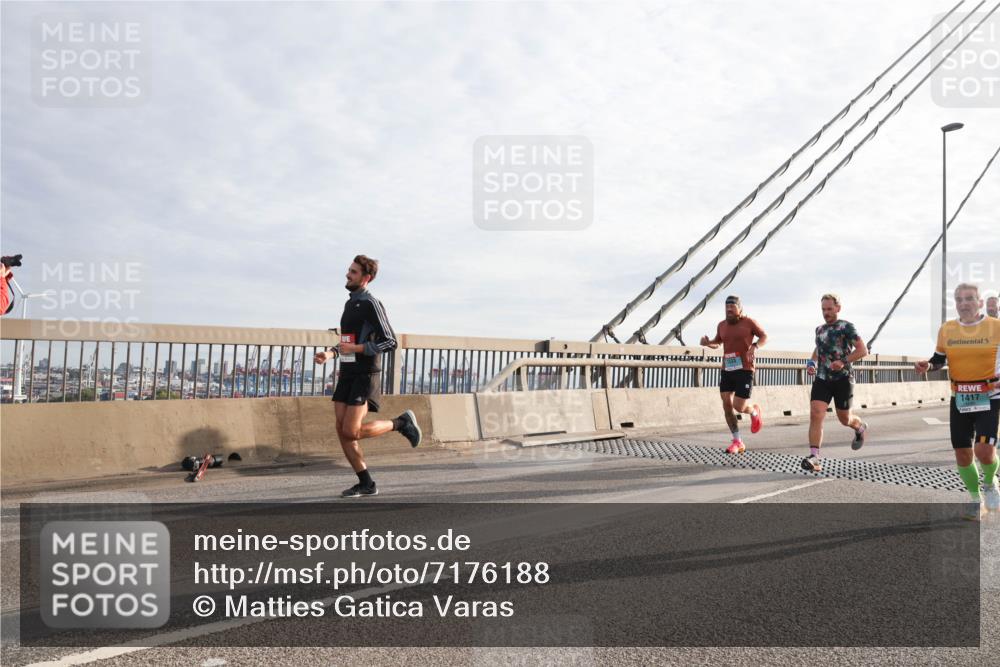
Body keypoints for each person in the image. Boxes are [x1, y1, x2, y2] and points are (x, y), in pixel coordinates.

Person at [313, 255, 422, 497]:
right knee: (342, 429)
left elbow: (390, 341)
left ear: (366, 278)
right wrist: (330, 354)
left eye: (353, 272)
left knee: (351, 431)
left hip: (365, 374)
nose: (347, 274)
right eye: (349, 270)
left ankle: (401, 423)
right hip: (348, 372)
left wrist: (358, 349)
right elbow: (348, 341)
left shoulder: (371, 303)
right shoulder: (350, 304)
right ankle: (366, 483)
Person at [914, 283, 1000, 520]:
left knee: (984, 451)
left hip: (990, 397)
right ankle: (975, 500)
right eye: (959, 299)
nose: (964, 304)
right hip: (960, 397)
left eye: (969, 298)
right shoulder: (947, 329)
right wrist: (928, 365)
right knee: (963, 454)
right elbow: (939, 359)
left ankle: (990, 482)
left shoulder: (996, 327)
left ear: (980, 302)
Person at [803, 293, 869, 472]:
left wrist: (843, 362)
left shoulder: (846, 327)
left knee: (845, 419)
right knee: (816, 413)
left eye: (829, 309)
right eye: (823, 309)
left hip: (843, 379)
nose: (826, 313)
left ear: (838, 308)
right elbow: (819, 348)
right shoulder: (819, 330)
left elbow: (862, 350)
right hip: (822, 378)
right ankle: (815, 457)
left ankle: (859, 427)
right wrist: (812, 362)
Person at [699, 295, 768, 453]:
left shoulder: (749, 322)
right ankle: (737, 441)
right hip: (728, 369)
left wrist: (755, 346)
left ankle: (754, 411)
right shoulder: (722, 325)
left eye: (732, 307)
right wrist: (708, 343)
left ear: (740, 309)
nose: (728, 310)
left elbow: (765, 336)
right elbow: (718, 343)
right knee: (726, 404)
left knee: (739, 406)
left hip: (745, 369)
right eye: (726, 307)